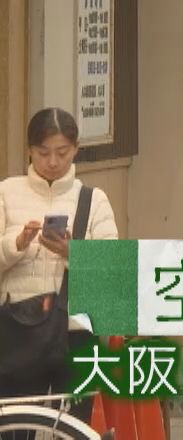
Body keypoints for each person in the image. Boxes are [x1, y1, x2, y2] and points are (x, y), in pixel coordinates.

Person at [0, 109, 119, 409]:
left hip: (76, 333)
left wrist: (72, 253)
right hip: (19, 330)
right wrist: (17, 244)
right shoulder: (6, 193)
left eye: (62, 152)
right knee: (17, 423)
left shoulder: (94, 200)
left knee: (75, 425)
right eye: (43, 153)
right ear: (29, 150)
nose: (52, 162)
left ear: (76, 149)